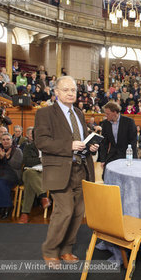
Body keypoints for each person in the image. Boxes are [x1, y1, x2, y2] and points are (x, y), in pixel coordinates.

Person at [34, 76, 98, 268]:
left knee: (78, 212)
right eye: (66, 90)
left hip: (81, 168)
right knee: (65, 211)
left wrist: (90, 145)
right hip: (60, 171)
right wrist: (69, 145)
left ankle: (66, 250)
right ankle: (50, 251)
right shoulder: (45, 113)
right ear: (56, 92)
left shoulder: (78, 112)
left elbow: (82, 138)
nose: (71, 93)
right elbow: (42, 142)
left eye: (73, 90)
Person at [18, 127, 51, 224]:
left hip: (44, 174)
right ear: (33, 137)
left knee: (29, 182)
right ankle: (43, 196)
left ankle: (25, 213)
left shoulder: (49, 148)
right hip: (31, 171)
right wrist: (40, 160)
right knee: (29, 173)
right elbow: (26, 161)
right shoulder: (28, 147)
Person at [0, 133, 23, 219]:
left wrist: (6, 157)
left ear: (11, 140)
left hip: (12, 174)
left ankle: (6, 207)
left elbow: (17, 165)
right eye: (3, 140)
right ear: (0, 141)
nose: (5, 141)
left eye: (8, 139)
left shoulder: (17, 151)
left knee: (1, 183)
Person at [98, 101, 137, 168]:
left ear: (115, 112)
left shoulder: (129, 122)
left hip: (126, 155)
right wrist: (103, 160)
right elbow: (104, 143)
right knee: (105, 175)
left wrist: (132, 159)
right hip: (112, 156)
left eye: (108, 114)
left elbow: (133, 142)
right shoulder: (105, 124)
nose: (106, 116)